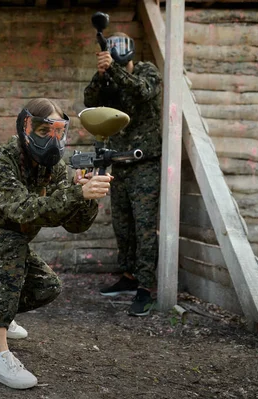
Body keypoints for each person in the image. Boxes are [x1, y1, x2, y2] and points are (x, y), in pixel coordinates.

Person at [0, 98, 112, 389]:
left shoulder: (54, 169)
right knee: (12, 244)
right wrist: (74, 195)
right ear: (25, 128)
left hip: (8, 240)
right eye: (44, 131)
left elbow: (73, 224)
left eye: (58, 132)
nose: (52, 140)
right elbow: (23, 209)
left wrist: (87, 196)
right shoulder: (2, 159)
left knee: (47, 286)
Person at [83, 31, 163, 317]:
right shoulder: (111, 79)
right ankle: (129, 277)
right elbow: (90, 100)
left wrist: (113, 70)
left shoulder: (146, 71)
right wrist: (101, 74)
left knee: (143, 228)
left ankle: (146, 288)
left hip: (145, 164)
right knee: (123, 225)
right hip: (119, 162)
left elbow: (142, 91)